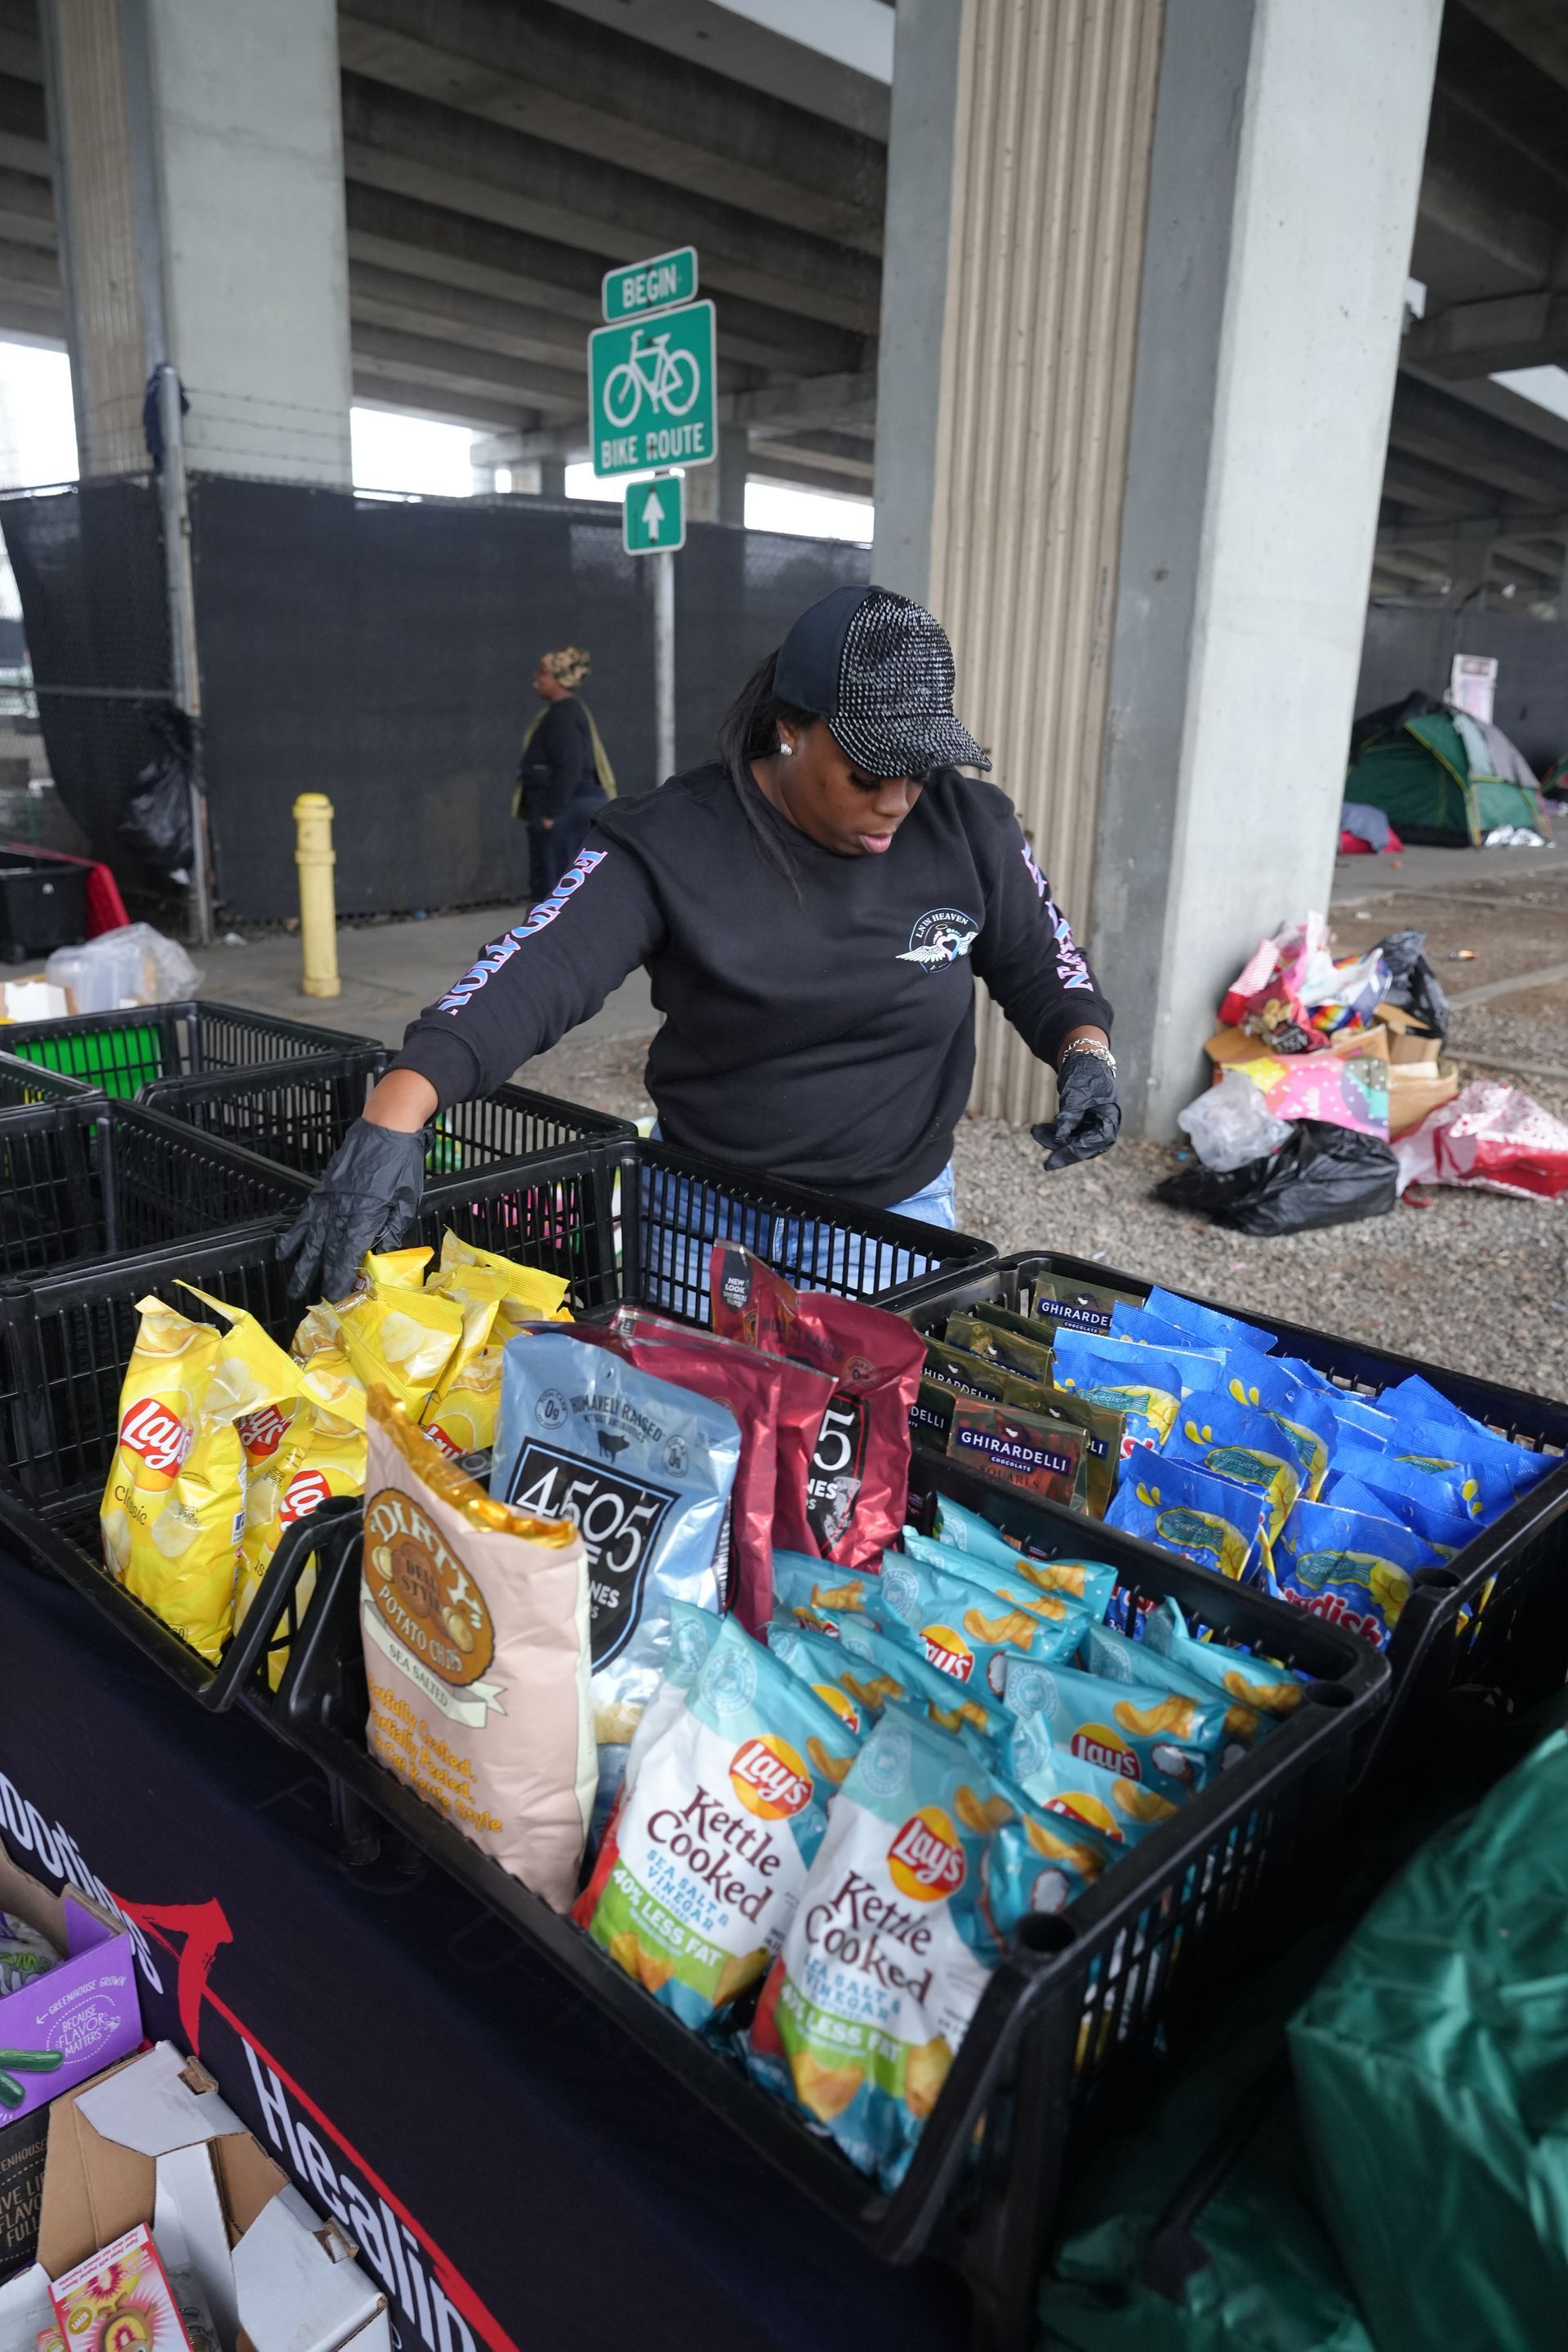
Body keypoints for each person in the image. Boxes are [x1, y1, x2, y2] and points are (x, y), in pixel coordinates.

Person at [281, 585, 1120, 1301]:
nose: (899, 800)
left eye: (920, 769)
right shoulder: (671, 840)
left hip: (893, 1223)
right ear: (792, 727)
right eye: (868, 773)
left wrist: (1086, 1051)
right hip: (703, 1223)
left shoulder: (971, 829)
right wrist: (396, 1113)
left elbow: (1043, 965)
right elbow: (537, 966)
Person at [512, 645, 617, 901]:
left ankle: (548, 938)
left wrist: (551, 814)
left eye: (543, 673)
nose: (536, 679)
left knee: (554, 887)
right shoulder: (561, 713)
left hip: (564, 812)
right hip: (565, 810)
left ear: (560, 678)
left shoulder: (564, 716)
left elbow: (569, 766)